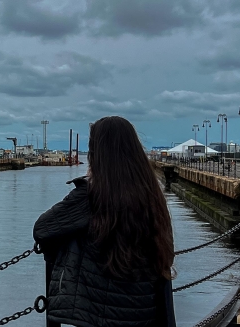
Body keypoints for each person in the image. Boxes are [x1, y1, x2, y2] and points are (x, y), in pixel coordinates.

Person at [33, 116, 176, 326]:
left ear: (97, 154)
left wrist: (88, 181)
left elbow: (43, 228)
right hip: (144, 313)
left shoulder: (91, 195)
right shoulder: (151, 194)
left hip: (102, 316)